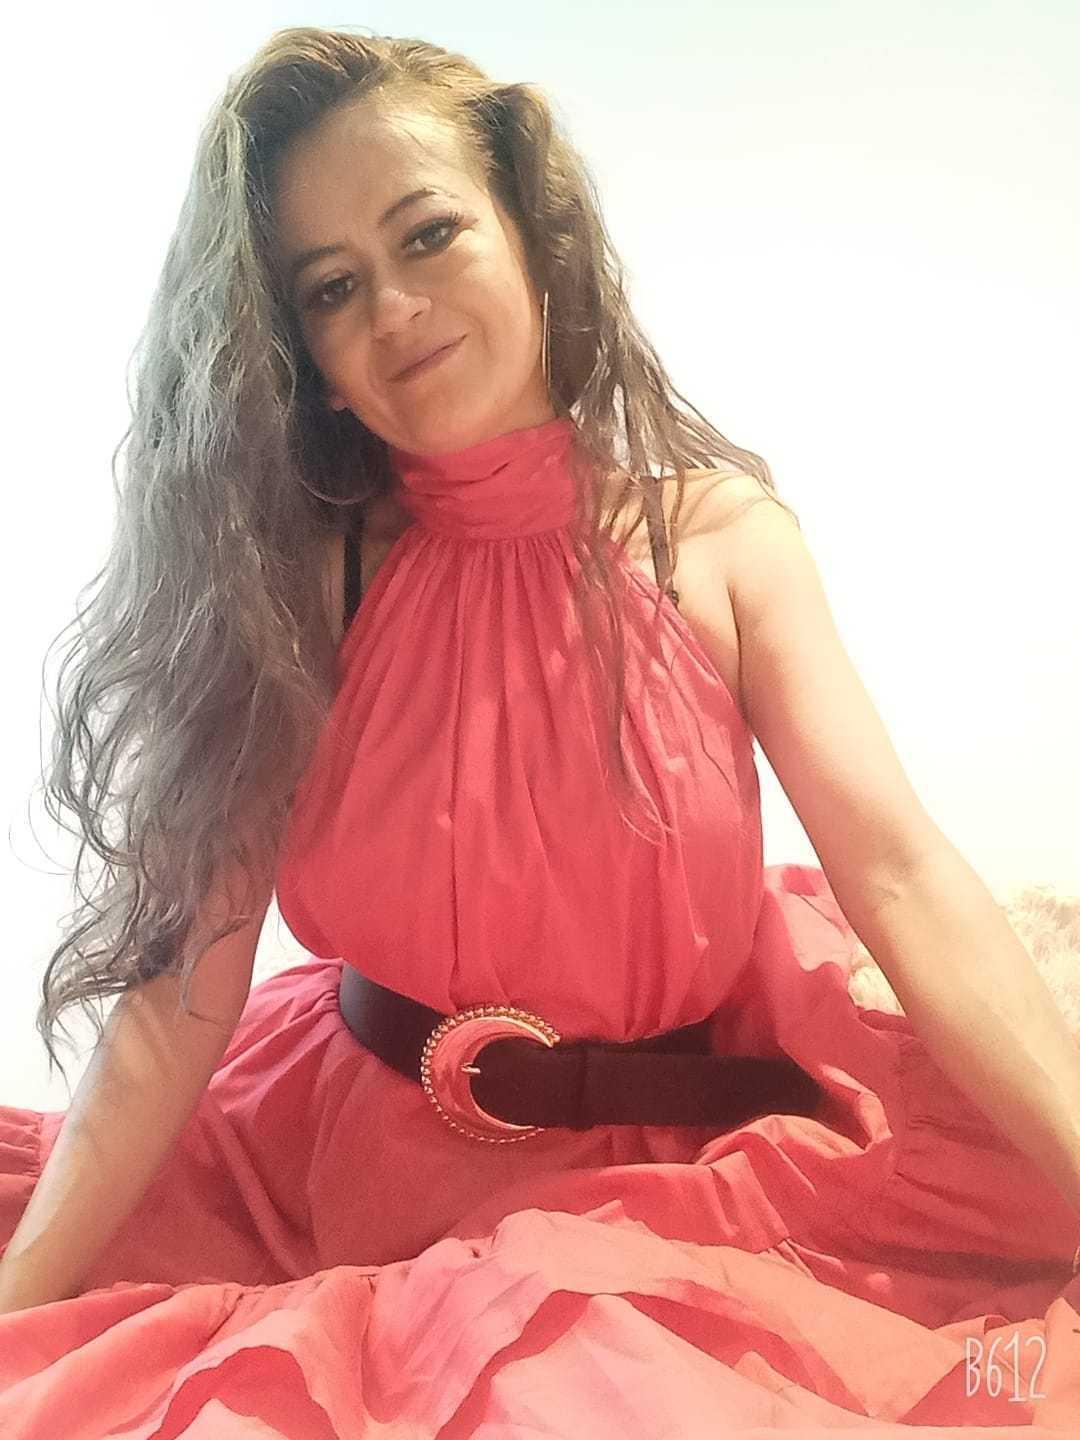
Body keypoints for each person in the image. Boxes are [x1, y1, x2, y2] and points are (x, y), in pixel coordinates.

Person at [1, 23, 1078, 1433]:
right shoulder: (306, 586)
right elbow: (183, 985)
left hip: (676, 1176)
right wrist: (21, 1303)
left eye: (428, 232)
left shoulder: (724, 541)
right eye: (332, 287)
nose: (395, 308)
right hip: (341, 1158)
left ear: (528, 228)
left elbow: (903, 874)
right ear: (305, 356)